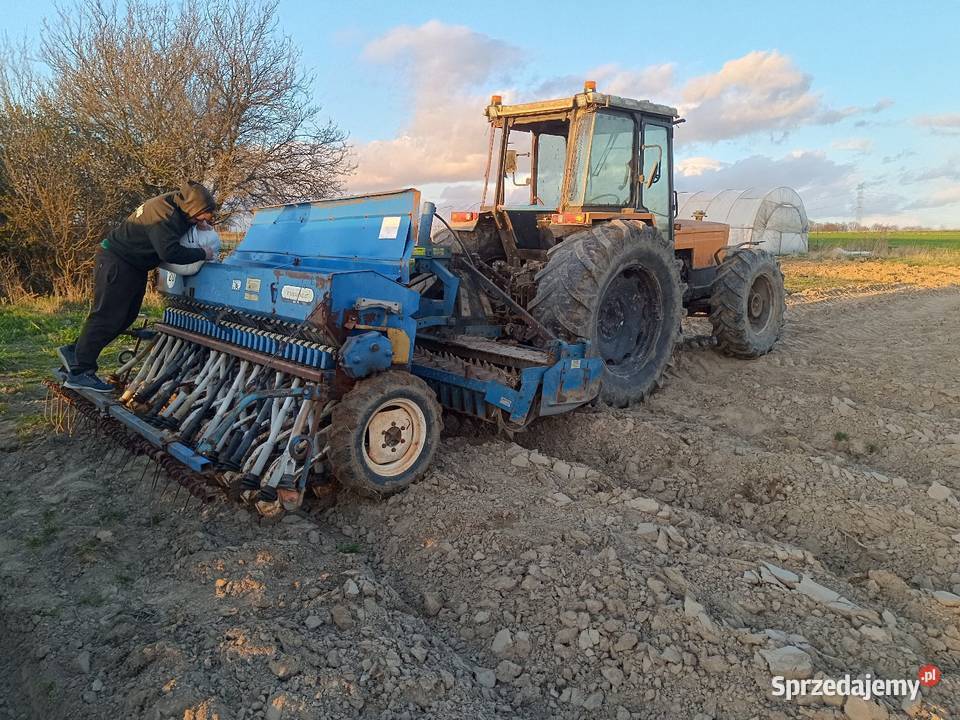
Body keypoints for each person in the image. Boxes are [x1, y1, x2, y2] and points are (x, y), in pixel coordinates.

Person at [59, 181, 217, 392]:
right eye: (204, 214)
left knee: (127, 316)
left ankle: (74, 352)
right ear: (193, 207)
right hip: (118, 262)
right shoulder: (164, 214)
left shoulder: (176, 204)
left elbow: (181, 223)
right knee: (107, 315)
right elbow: (169, 252)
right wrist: (202, 253)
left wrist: (197, 224)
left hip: (133, 265)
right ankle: (80, 372)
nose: (207, 218)